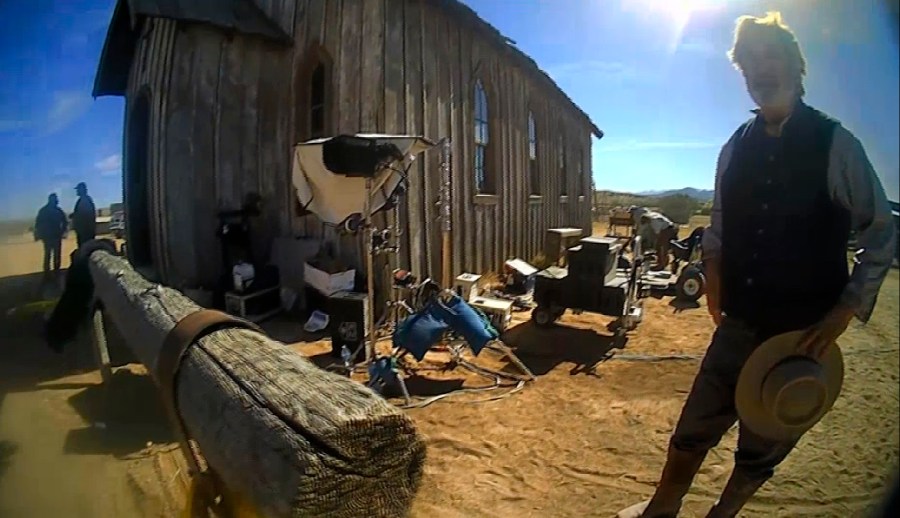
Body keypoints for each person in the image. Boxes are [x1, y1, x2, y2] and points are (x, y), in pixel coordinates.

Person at [618, 11, 895, 518]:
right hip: (740, 322)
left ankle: (722, 515)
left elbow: (882, 230)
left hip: (802, 332)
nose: (758, 72)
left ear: (794, 64)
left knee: (764, 441)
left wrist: (845, 311)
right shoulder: (735, 147)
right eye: (748, 65)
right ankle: (663, 507)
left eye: (768, 58)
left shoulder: (836, 144)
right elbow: (719, 223)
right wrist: (715, 269)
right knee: (692, 428)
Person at [629, 206, 678, 270]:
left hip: (667, 229)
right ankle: (662, 263)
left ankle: (661, 264)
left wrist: (655, 243)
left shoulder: (654, 222)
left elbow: (658, 233)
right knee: (661, 247)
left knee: (662, 247)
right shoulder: (652, 215)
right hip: (669, 227)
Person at [33, 193, 68, 280]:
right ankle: (55, 272)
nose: (57, 201)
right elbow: (65, 222)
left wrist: (39, 234)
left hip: (49, 237)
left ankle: (48, 273)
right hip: (54, 236)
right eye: (56, 200)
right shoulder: (57, 210)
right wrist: (62, 231)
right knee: (54, 255)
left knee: (49, 255)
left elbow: (38, 224)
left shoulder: (43, 210)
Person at [70, 182, 97, 247]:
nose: (77, 191)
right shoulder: (83, 200)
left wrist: (75, 216)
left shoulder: (85, 200)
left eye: (78, 189)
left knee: (85, 249)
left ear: (82, 190)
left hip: (85, 232)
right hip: (84, 231)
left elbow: (85, 216)